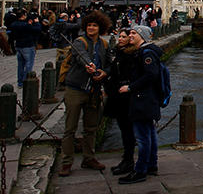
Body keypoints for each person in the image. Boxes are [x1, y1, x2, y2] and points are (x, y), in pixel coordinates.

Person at [59, 10, 111, 177]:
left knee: (91, 127)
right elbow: (79, 54)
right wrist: (88, 65)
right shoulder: (79, 41)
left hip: (94, 90)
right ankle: (66, 162)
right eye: (89, 25)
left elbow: (109, 64)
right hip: (76, 88)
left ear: (100, 28)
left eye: (94, 25)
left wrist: (104, 72)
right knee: (70, 128)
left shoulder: (104, 44)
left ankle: (89, 157)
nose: (91, 28)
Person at [118, 25, 163, 185]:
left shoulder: (146, 53)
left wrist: (130, 87)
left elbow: (151, 74)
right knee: (149, 133)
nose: (130, 35)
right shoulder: (145, 52)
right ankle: (151, 165)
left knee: (143, 137)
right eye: (130, 33)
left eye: (133, 33)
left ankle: (141, 170)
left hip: (143, 99)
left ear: (142, 36)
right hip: (148, 99)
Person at [104, 27, 139, 175]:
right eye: (121, 36)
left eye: (125, 37)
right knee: (124, 129)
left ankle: (129, 161)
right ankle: (126, 160)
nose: (121, 39)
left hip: (125, 97)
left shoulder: (131, 56)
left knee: (127, 130)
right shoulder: (119, 53)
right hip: (117, 95)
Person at [8, 10, 41, 88]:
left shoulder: (14, 24)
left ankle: (20, 82)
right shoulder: (26, 25)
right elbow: (37, 30)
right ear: (23, 16)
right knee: (29, 64)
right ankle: (26, 80)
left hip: (19, 45)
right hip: (28, 45)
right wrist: (36, 22)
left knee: (20, 65)